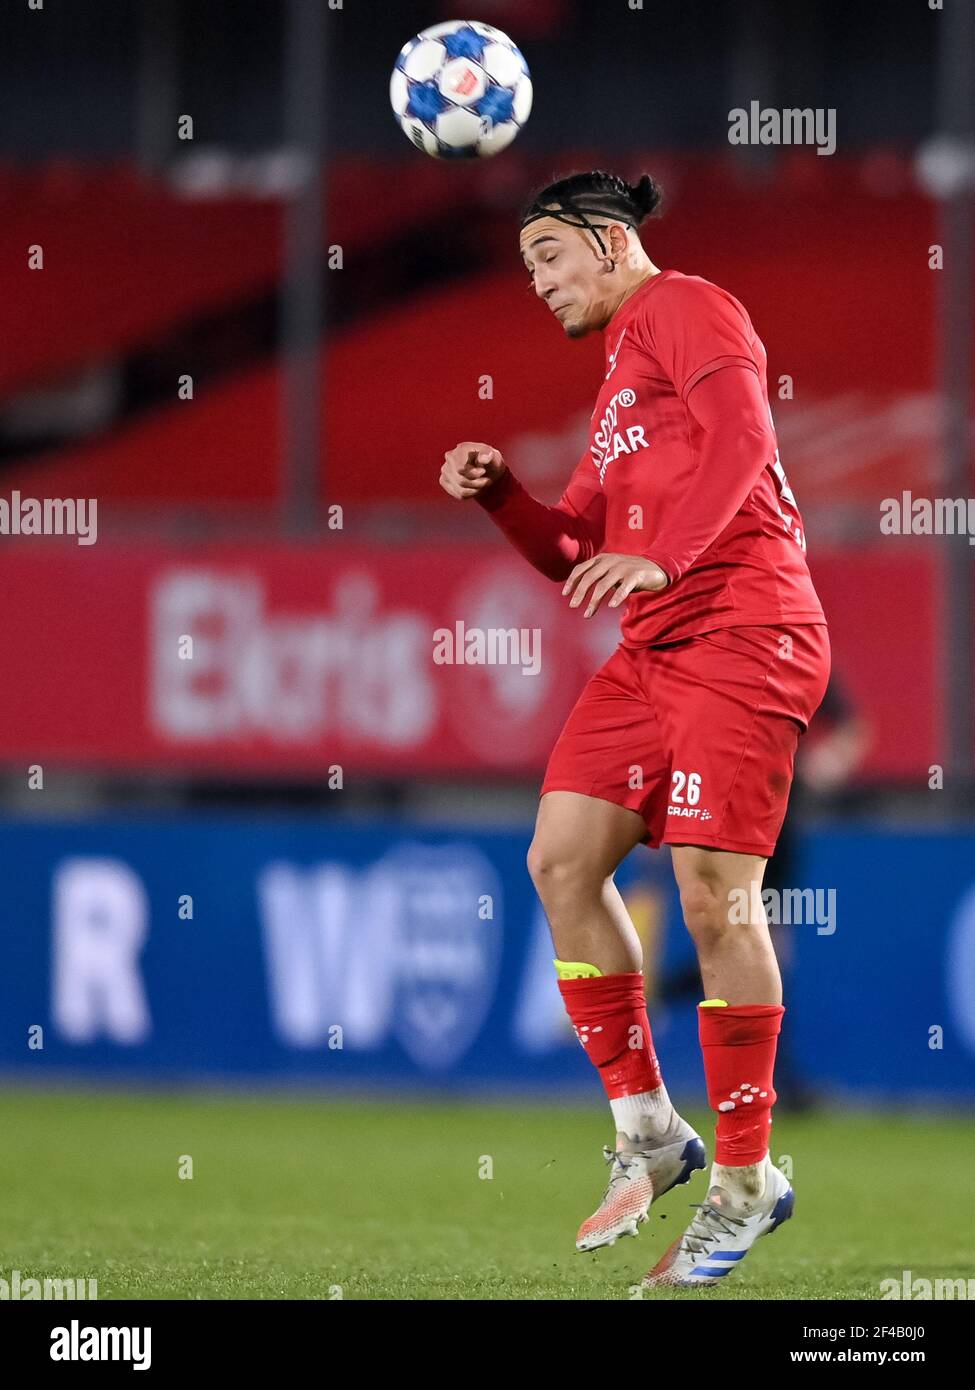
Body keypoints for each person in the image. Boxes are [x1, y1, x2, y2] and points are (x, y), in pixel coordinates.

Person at [439, 170, 830, 1289]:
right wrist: (504, 495)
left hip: (748, 631)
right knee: (562, 860)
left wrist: (672, 551)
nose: (540, 284)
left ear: (611, 243)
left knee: (714, 893)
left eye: (551, 258)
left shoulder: (687, 305)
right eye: (527, 270)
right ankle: (654, 1132)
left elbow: (747, 434)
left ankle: (749, 1182)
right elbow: (576, 555)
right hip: (654, 649)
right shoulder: (621, 379)